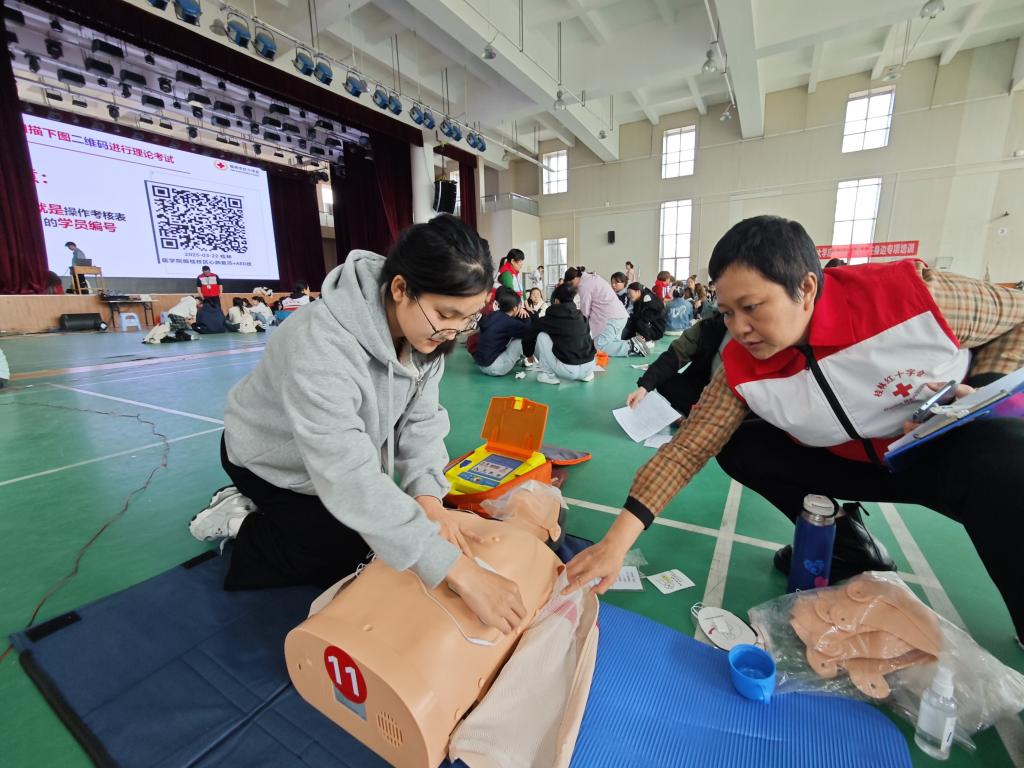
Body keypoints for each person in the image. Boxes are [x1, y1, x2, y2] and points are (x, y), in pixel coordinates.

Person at [565, 215, 1024, 648]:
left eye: (751, 308)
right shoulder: (741, 365)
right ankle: (847, 547)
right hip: (848, 464)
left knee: (1004, 452)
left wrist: (983, 393)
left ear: (805, 288)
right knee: (742, 445)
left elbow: (1018, 319)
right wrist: (614, 544)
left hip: (943, 453)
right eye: (726, 312)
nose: (739, 328)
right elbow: (687, 450)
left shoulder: (910, 297)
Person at [188, 214, 527, 635]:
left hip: (328, 463)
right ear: (400, 288)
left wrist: (429, 501)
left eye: (467, 318)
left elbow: (422, 422)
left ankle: (288, 519)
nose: (454, 331)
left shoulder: (425, 335)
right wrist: (461, 572)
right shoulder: (319, 341)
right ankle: (242, 523)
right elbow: (347, 476)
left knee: (402, 535)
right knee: (352, 554)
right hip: (269, 462)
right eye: (446, 313)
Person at [626, 313, 729, 416]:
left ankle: (696, 415)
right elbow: (673, 357)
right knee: (663, 377)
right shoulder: (708, 326)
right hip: (701, 391)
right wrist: (645, 387)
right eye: (726, 313)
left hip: (727, 405)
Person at [522, 284, 597, 385]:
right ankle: (585, 375)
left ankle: (548, 375)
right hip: (590, 368)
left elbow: (529, 334)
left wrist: (528, 354)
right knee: (587, 331)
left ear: (556, 300)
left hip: (568, 371)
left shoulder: (549, 319)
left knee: (542, 336)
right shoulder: (581, 316)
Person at [563, 267, 638, 357]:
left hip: (611, 318)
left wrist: (580, 326)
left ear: (575, 278)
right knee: (614, 346)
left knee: (600, 346)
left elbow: (585, 311)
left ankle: (631, 347)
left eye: (571, 283)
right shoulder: (592, 278)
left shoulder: (584, 284)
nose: (573, 287)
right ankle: (632, 346)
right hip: (620, 316)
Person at [473, 287, 529, 376]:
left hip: (481, 365)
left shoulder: (493, 315)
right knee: (521, 341)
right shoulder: (509, 322)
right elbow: (529, 332)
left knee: (511, 337)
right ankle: (538, 364)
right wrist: (526, 317)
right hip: (495, 367)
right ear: (515, 308)